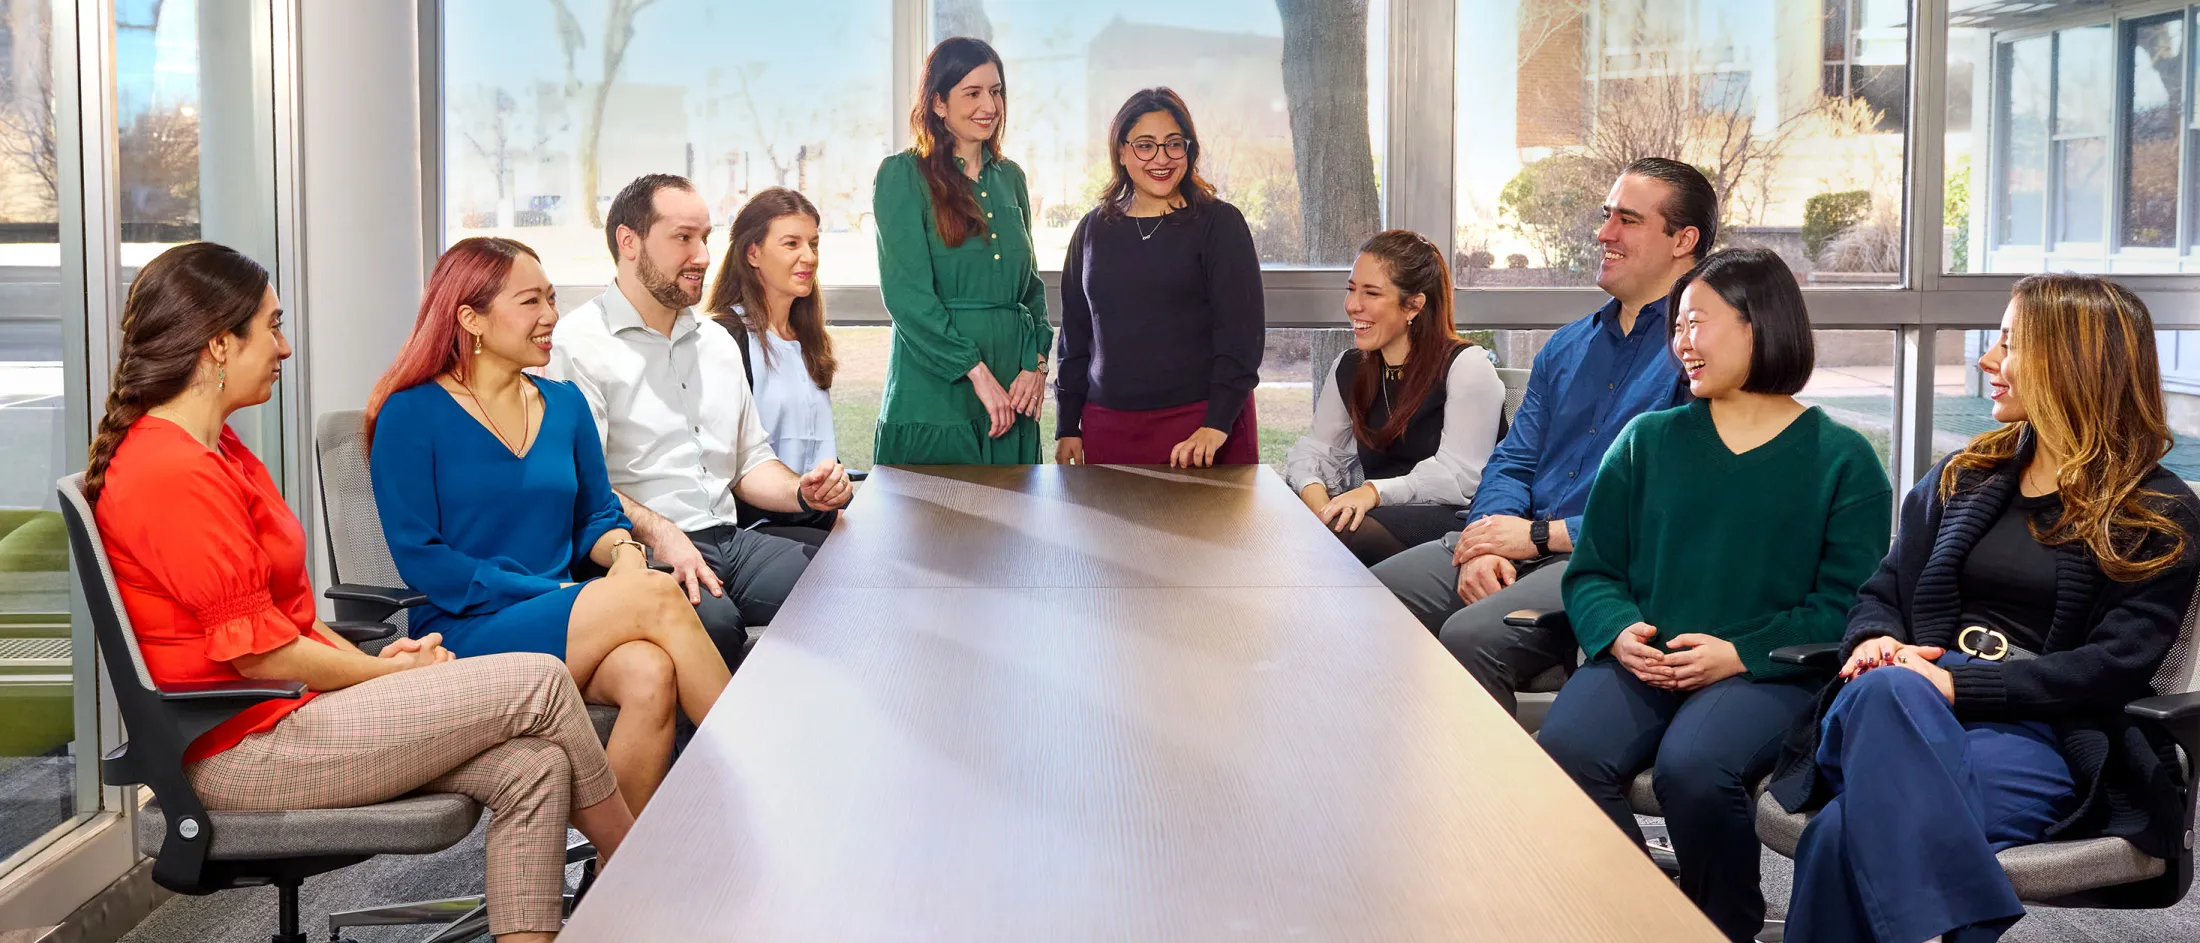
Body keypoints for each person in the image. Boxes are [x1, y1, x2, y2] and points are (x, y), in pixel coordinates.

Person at [90, 242, 633, 943]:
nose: (284, 348)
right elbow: (262, 655)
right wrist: (382, 670)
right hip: (239, 751)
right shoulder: (170, 470)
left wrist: (387, 659)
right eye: (272, 327)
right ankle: (638, 877)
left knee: (535, 765)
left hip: (283, 717)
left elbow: (285, 620)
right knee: (542, 682)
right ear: (220, 345)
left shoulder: (219, 451)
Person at [1771, 274, 2200, 943]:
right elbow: (1883, 592)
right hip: (1899, 700)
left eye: (2009, 342)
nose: (1987, 360)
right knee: (1886, 694)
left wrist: (1953, 680)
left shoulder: (2156, 512)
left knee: (1839, 833)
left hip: (2042, 731)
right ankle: (1971, 916)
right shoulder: (1961, 476)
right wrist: (1876, 641)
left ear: (2071, 361)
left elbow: (2115, 664)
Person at [1534, 249, 1892, 941]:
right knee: (1564, 751)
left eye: (1697, 322)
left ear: (1759, 323)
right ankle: (1644, 921)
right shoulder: (1647, 441)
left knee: (1694, 767)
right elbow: (1594, 570)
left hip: (1771, 671)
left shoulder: (1843, 460)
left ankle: (1722, 924)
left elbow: (1849, 606)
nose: (1681, 343)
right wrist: (1618, 631)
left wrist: (1740, 653)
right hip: (1645, 659)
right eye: (1677, 326)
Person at [369, 236, 730, 814]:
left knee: (649, 672)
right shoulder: (409, 413)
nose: (550, 317)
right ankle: (759, 777)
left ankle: (616, 881)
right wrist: (564, 590)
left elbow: (599, 518)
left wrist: (628, 557)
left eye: (552, 299)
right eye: (530, 302)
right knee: (660, 597)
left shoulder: (564, 404)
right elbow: (422, 558)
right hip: (467, 631)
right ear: (471, 318)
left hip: (567, 613)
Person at [1370, 157, 1712, 715]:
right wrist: (1485, 541)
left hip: (1603, 562)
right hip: (1515, 539)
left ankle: (1490, 803)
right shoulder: (1567, 346)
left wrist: (1535, 536)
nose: (1604, 233)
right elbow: (1512, 461)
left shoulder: (1697, 357)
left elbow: (1671, 507)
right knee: (1354, 602)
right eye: (1606, 217)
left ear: (1684, 240)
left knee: (1468, 636)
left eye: (1627, 219)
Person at [546, 174, 853, 671]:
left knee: (857, 581)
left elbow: (749, 464)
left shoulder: (715, 342)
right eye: (683, 238)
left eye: (705, 238)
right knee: (715, 626)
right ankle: (718, 750)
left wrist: (803, 492)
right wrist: (662, 533)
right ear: (629, 242)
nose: (704, 256)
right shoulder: (577, 345)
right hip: (642, 552)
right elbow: (584, 484)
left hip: (729, 540)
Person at [1054, 87, 1264, 468]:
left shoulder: (1220, 224)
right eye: (1145, 146)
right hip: (1109, 426)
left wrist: (1216, 425)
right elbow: (1075, 334)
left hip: (1201, 430)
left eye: (1173, 145)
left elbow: (1241, 335)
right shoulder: (1092, 229)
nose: (1162, 159)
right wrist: (1068, 423)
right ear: (1121, 150)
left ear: (1190, 149)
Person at [872, 36, 1051, 465]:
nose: (989, 105)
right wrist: (976, 373)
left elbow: (1031, 287)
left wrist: (1036, 364)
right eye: (972, 93)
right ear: (938, 104)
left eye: (995, 91)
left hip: (1013, 388)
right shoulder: (903, 175)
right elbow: (907, 297)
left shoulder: (1012, 178)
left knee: (1015, 524)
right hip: (938, 389)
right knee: (943, 525)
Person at [1284, 230, 1504, 565]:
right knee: (1290, 525)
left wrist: (1372, 493)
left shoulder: (1467, 366)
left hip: (1456, 517)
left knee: (1345, 535)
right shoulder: (1350, 367)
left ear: (1414, 305)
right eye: (1351, 289)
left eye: (1371, 293)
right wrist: (1319, 508)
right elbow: (1316, 452)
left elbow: (1459, 478)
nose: (1353, 305)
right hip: (1381, 513)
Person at [706, 186, 840, 549]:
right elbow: (721, 465)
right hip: (757, 529)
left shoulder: (808, 339)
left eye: (813, 243)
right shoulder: (726, 337)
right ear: (752, 252)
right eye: (791, 244)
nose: (809, 257)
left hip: (818, 516)